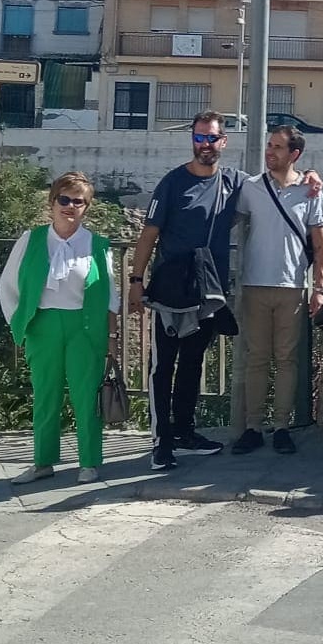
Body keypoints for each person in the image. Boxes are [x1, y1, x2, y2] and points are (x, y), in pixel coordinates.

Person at [129, 112, 244, 471]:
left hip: (207, 291)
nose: (205, 145)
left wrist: (311, 180)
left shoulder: (234, 183)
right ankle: (161, 441)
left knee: (194, 364)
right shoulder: (173, 183)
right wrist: (136, 282)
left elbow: (276, 187)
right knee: (163, 367)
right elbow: (149, 234)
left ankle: (185, 432)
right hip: (171, 291)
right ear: (191, 141)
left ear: (223, 142)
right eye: (199, 138)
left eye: (211, 139)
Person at [0, 172, 120, 485]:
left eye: (78, 201)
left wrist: (111, 338)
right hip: (44, 325)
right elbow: (9, 284)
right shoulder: (32, 239)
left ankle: (89, 463)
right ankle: (42, 462)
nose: (70, 206)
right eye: (64, 199)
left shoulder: (98, 245)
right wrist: (21, 324)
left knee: (86, 397)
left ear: (86, 207)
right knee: (46, 395)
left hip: (85, 326)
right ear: (52, 203)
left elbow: (110, 296)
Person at [230, 125, 323, 457]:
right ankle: (253, 426)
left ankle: (282, 426)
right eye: (269, 145)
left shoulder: (310, 191)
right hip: (255, 284)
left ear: (294, 154)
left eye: (277, 147)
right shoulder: (251, 187)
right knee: (256, 358)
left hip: (292, 286)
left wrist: (320, 287)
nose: (270, 152)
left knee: (287, 360)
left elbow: (320, 242)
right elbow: (229, 219)